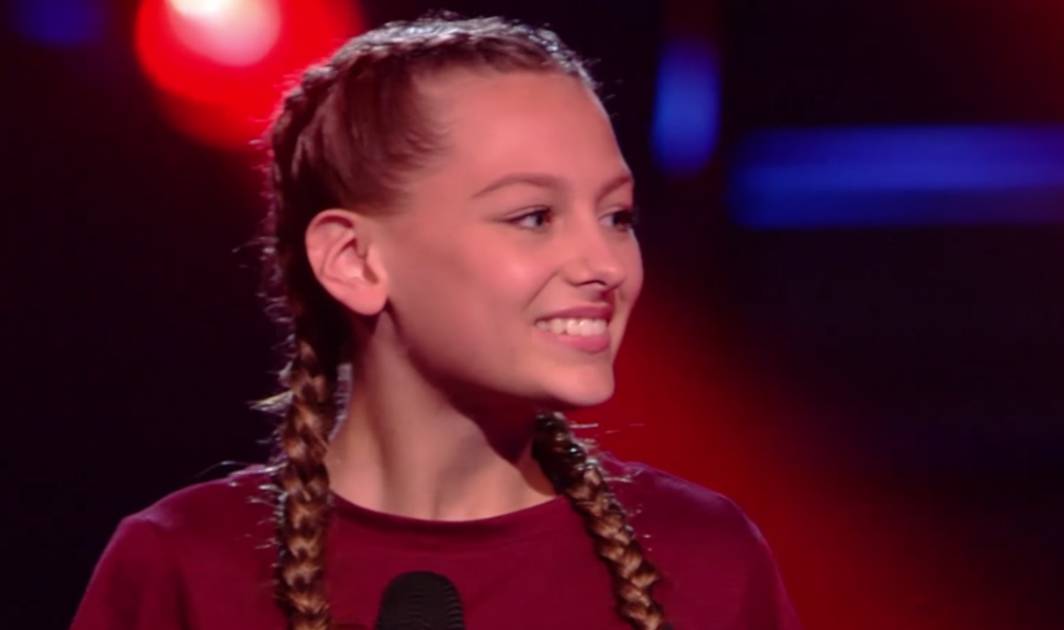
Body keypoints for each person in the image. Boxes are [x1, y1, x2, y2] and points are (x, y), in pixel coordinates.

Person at [70, 15, 801, 630]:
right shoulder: (181, 568)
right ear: (354, 260)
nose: (605, 264)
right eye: (533, 216)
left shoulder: (706, 560)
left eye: (617, 216)